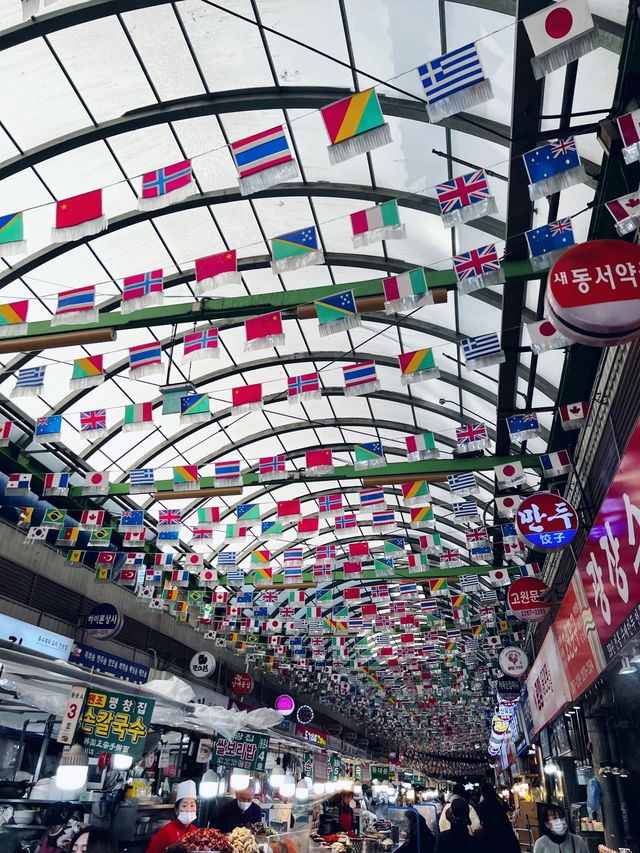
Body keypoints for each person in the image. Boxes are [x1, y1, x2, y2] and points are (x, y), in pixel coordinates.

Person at [147, 780, 198, 853]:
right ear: (176, 810)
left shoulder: (195, 831)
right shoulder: (165, 831)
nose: (188, 809)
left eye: (192, 805)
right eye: (184, 806)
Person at [475, 782, 520, 853]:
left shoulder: (480, 807)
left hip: (490, 840)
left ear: (483, 793)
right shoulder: (499, 803)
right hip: (505, 837)